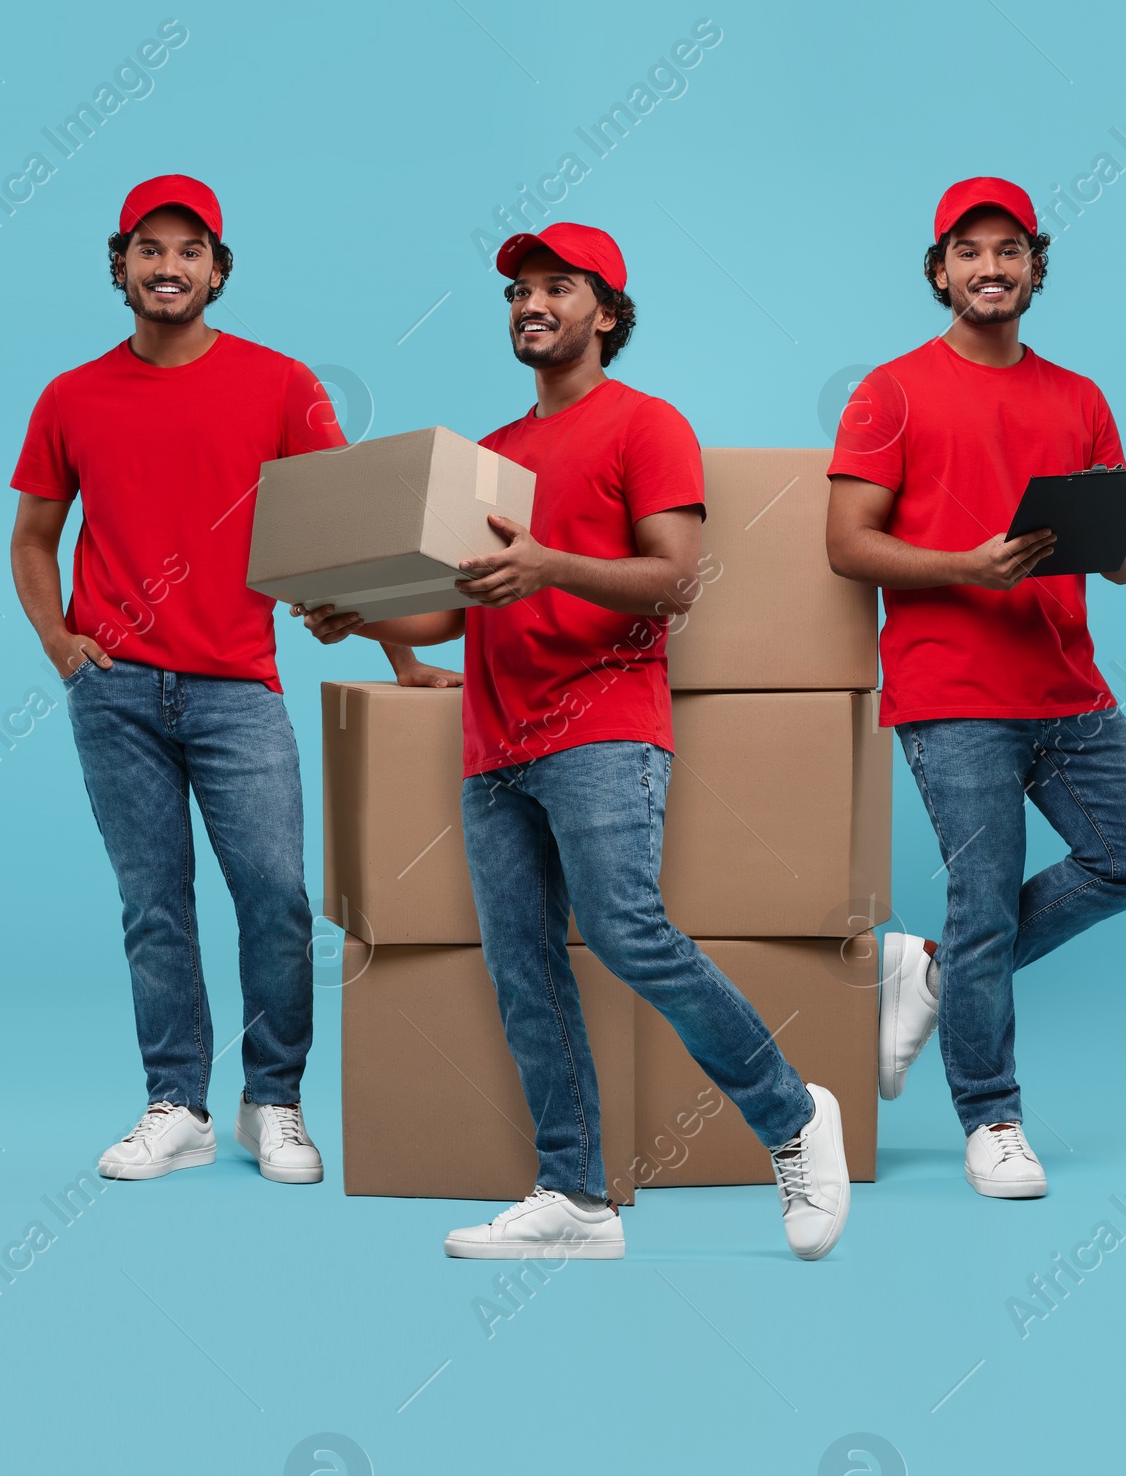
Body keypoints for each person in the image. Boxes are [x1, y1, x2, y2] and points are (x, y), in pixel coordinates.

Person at [298, 222, 850, 1259]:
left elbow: (675, 579)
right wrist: (359, 616)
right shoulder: (491, 456)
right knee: (524, 970)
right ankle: (575, 1199)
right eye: (517, 292)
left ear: (606, 311)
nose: (530, 305)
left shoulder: (647, 426)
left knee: (629, 930)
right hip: (494, 743)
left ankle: (790, 1114)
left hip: (601, 727)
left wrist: (551, 564)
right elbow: (453, 610)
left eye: (556, 287)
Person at [9, 174, 458, 1185]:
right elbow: (34, 534)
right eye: (149, 249)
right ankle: (176, 1104)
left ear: (218, 269)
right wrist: (57, 638)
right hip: (116, 690)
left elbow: (344, 534)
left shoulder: (280, 384)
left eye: (190, 250)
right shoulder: (70, 396)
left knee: (274, 896)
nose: (169, 267)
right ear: (119, 264)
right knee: (153, 902)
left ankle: (275, 1102)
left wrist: (398, 650)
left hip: (236, 688)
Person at [826, 176, 1126, 1199]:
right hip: (952, 689)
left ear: (1033, 268)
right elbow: (847, 545)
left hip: (1066, 685)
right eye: (969, 252)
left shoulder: (1078, 397)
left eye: (1008, 250)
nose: (990, 267)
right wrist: (966, 568)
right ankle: (991, 1115)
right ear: (940, 272)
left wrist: (1114, 545)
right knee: (986, 899)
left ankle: (926, 970)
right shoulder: (889, 391)